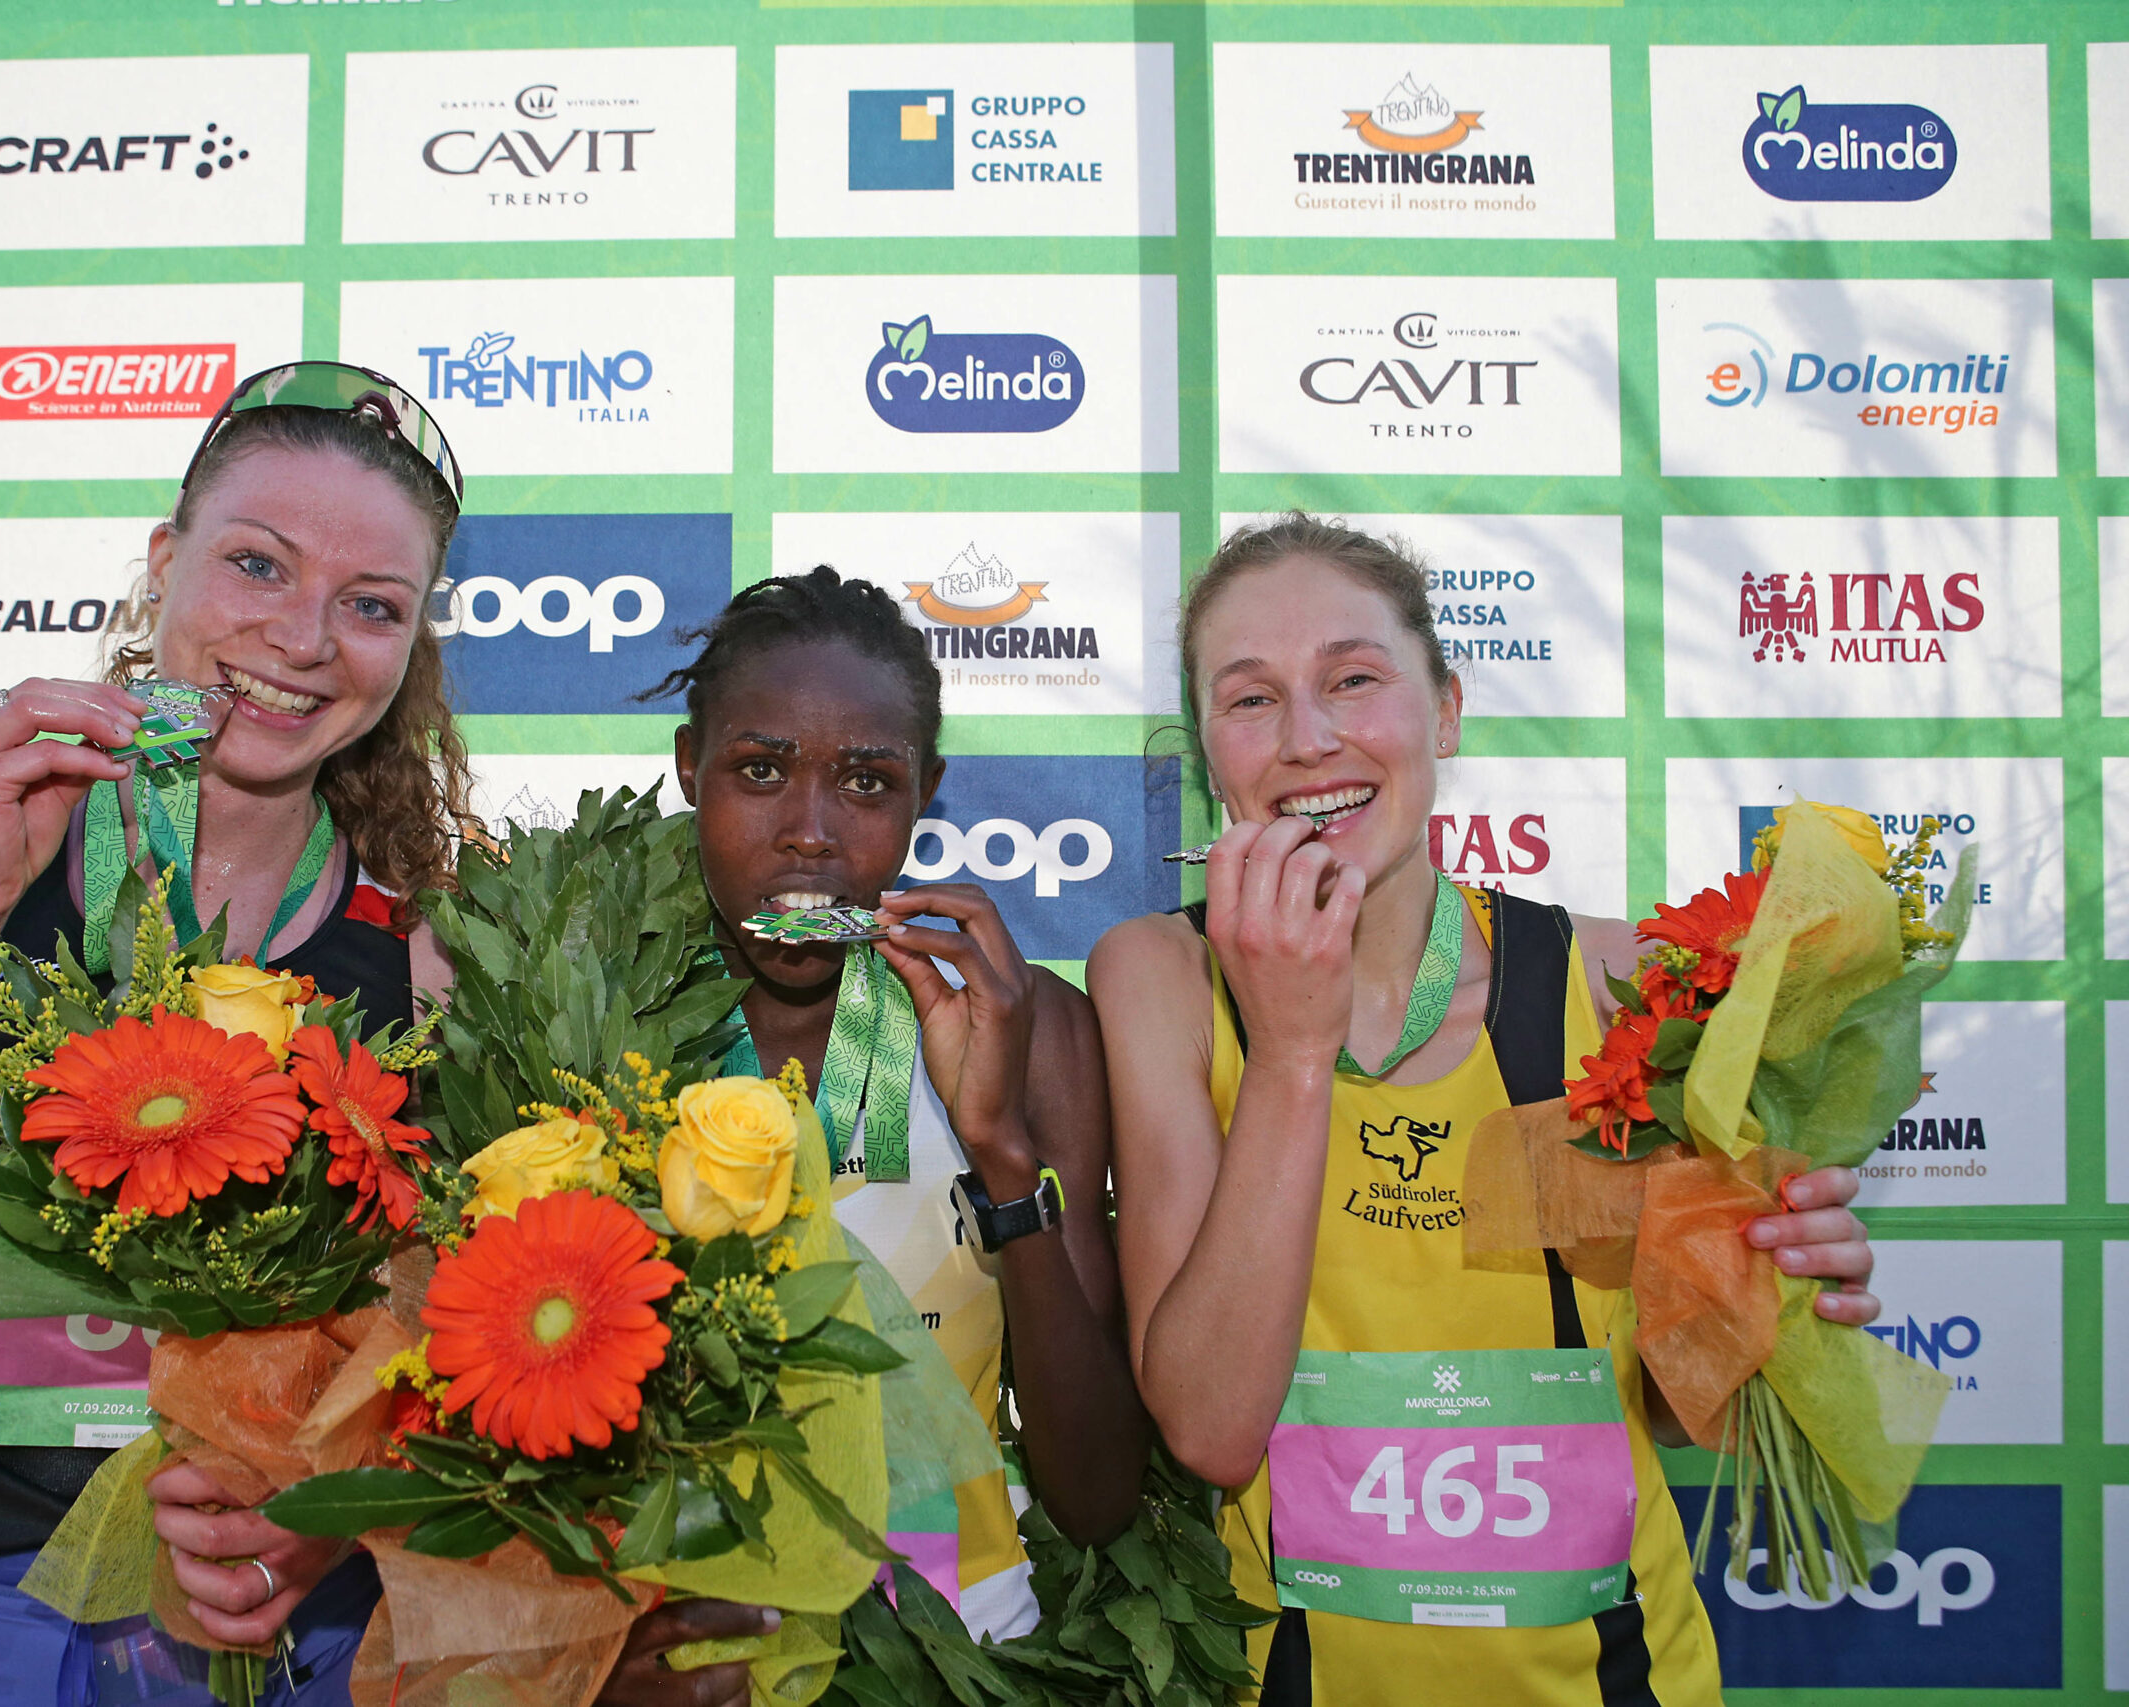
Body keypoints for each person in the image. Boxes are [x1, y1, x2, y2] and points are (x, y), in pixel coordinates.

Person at [0, 363, 486, 1706]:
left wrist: (340, 1507)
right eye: (256, 563)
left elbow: (455, 1340)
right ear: (165, 561)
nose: (304, 635)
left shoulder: (431, 931)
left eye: (371, 606)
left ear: (413, 646)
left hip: (286, 1631)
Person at [1087, 514, 1885, 1707]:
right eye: (1249, 701)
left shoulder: (1619, 981)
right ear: (1209, 751)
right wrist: (1297, 1052)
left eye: (1353, 680)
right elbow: (1206, 1429)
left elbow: (1676, 1411)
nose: (1308, 739)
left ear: (1445, 711)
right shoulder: (1156, 977)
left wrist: (1768, 1290)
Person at [643, 567, 1151, 1638]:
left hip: (965, 1652)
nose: (811, 832)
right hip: (695, 1658)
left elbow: (1097, 1497)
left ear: (928, 787)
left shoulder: (1031, 1025)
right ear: (690, 767)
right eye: (760, 769)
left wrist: (1000, 1152)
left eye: (866, 783)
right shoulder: (591, 1016)